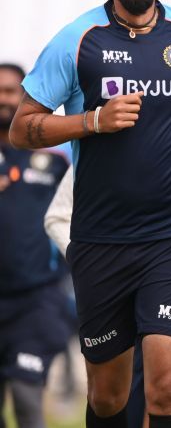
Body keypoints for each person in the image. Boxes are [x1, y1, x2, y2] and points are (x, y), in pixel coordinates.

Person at [8, 0, 171, 428]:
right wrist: (92, 120)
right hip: (101, 240)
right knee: (108, 397)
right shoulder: (76, 40)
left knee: (169, 385)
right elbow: (23, 129)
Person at [44, 159, 171, 428]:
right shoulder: (98, 143)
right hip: (118, 299)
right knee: (115, 404)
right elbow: (58, 216)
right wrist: (92, 264)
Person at [0, 62, 71, 428]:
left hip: (36, 299)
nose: (3, 99)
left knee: (27, 397)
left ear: (24, 97)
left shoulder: (57, 159)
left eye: (11, 91)